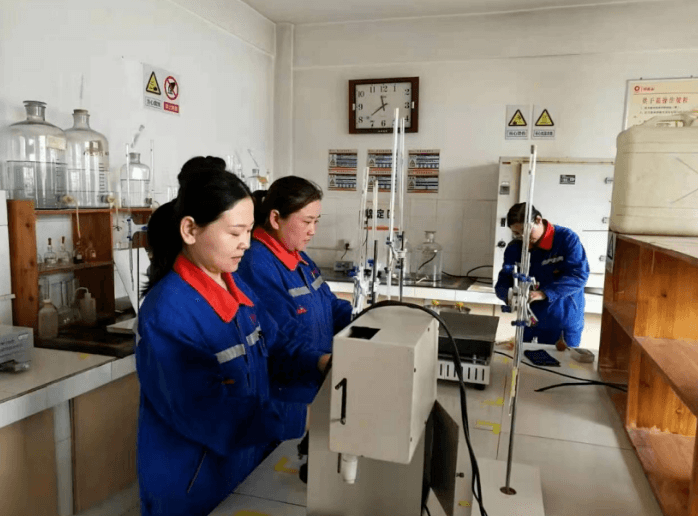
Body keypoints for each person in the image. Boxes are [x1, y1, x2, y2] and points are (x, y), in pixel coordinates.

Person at [135, 157, 330, 516]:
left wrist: (321, 361)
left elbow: (275, 343)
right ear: (190, 230)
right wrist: (304, 418)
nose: (246, 244)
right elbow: (209, 411)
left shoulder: (233, 284)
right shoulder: (168, 314)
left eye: (249, 231)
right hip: (193, 487)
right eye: (235, 233)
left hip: (240, 468)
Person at [237, 176, 352, 403]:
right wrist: (320, 361)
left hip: (314, 383)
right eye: (306, 222)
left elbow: (330, 305)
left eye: (316, 221)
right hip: (285, 394)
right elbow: (279, 336)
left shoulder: (299, 257)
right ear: (276, 219)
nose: (312, 231)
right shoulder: (256, 264)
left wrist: (367, 321)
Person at [495, 202, 590, 349]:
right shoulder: (515, 248)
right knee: (525, 358)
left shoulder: (566, 239)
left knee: (560, 361)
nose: (523, 238)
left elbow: (579, 276)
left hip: (561, 319)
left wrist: (544, 293)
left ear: (538, 220)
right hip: (529, 320)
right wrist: (508, 296)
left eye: (526, 231)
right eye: (517, 234)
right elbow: (504, 280)